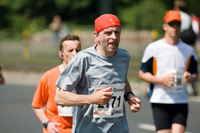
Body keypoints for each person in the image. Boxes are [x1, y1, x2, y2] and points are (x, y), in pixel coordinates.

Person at [55, 14, 141, 133]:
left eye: (117, 32)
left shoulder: (124, 56)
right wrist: (92, 99)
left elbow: (123, 81)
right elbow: (60, 97)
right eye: (108, 33)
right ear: (97, 36)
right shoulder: (83, 59)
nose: (114, 37)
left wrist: (129, 95)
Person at [139, 10, 198, 133]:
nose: (175, 27)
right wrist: (161, 80)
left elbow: (195, 74)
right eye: (172, 24)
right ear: (165, 26)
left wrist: (190, 78)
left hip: (180, 99)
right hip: (160, 99)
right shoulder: (153, 48)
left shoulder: (188, 50)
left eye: (178, 23)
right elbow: (142, 73)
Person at [31, 34, 81, 133]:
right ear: (61, 54)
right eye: (70, 50)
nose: (75, 54)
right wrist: (47, 123)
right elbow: (37, 105)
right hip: (57, 131)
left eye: (78, 50)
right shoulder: (49, 76)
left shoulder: (86, 77)